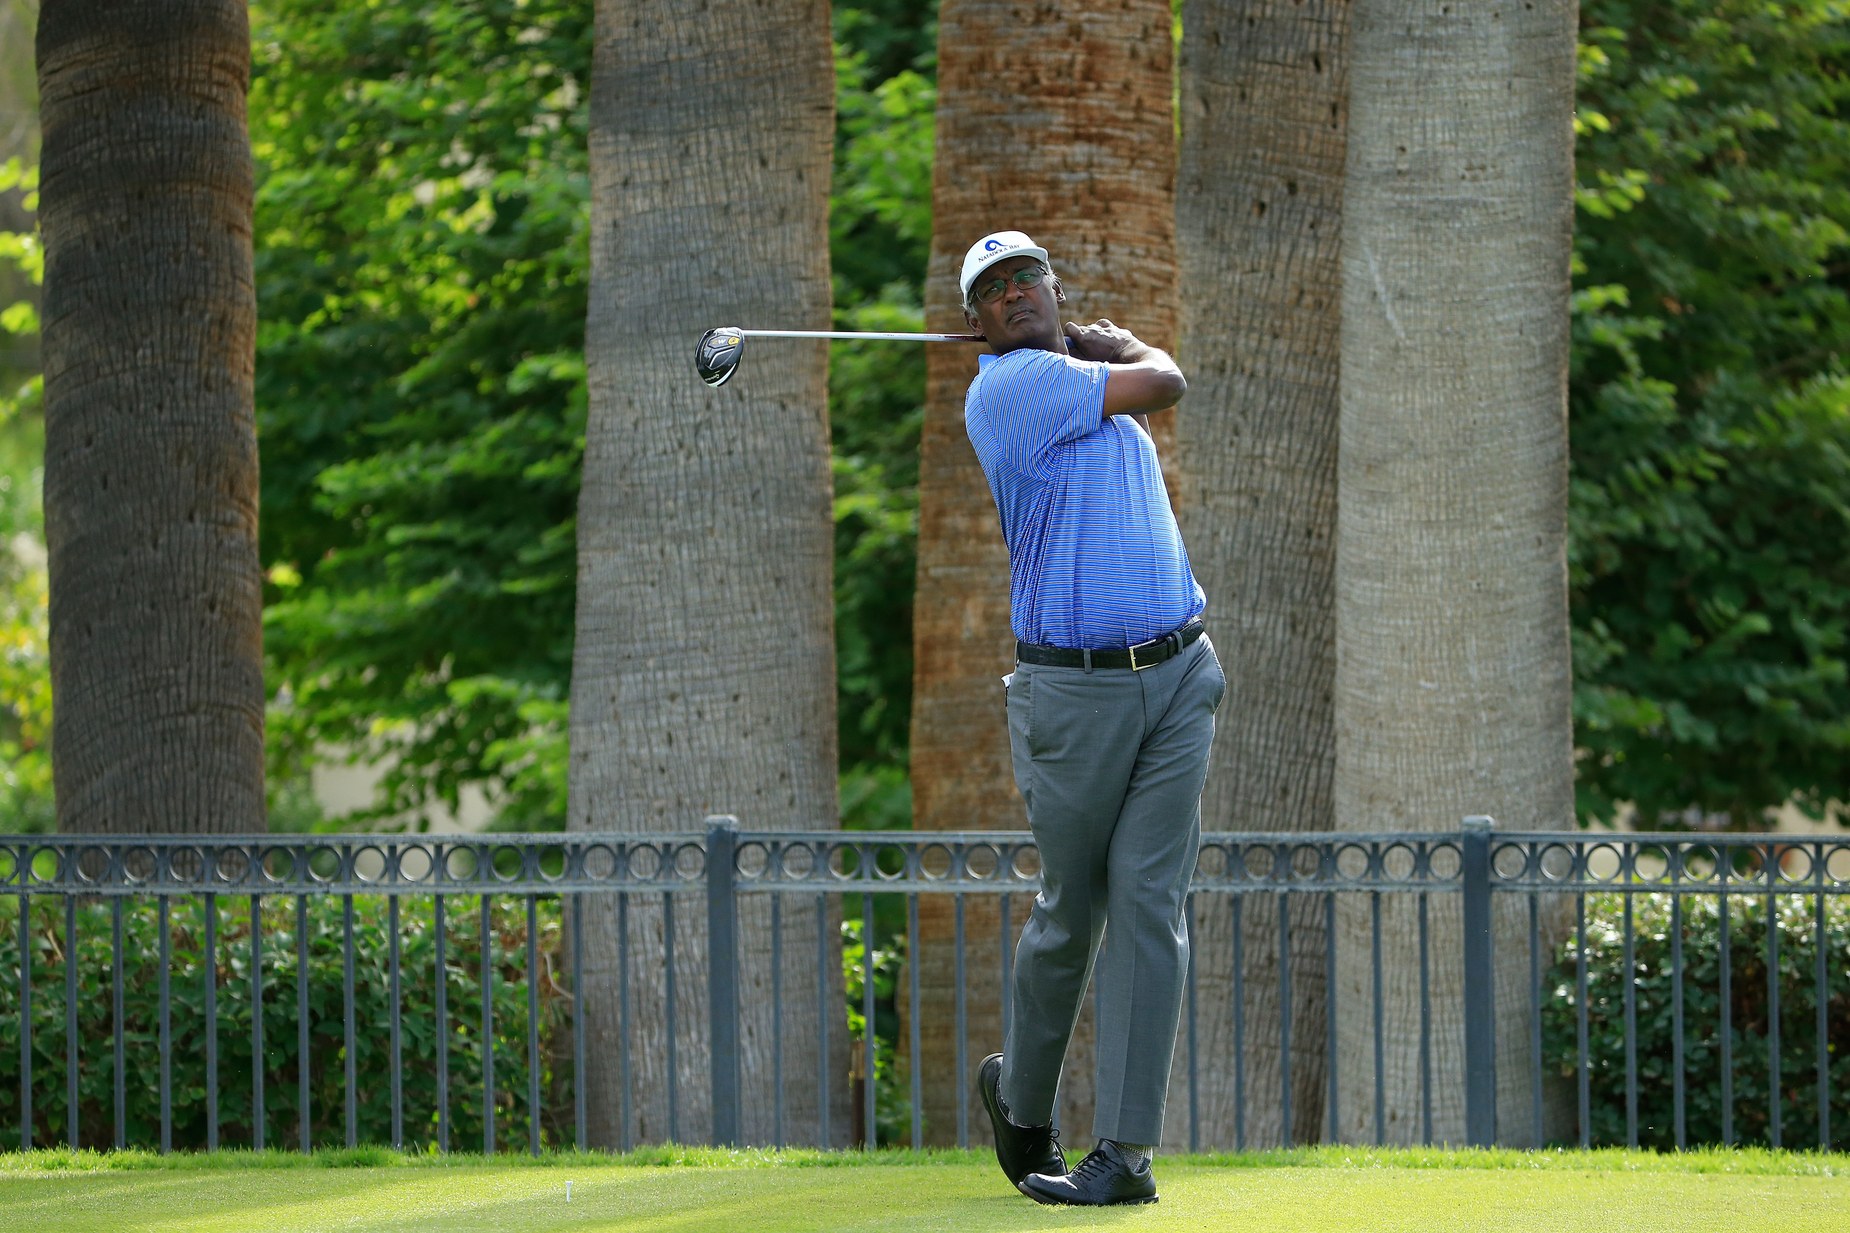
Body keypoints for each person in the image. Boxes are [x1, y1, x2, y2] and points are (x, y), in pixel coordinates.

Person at [960, 230, 1225, 1207]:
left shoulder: (1080, 383)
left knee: (1148, 909)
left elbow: (1138, 395)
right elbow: (1168, 382)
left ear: (1051, 287)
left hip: (1179, 675)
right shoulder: (1007, 390)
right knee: (1074, 912)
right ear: (977, 326)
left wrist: (1100, 351)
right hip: (1072, 695)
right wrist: (1120, 350)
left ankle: (1124, 1157)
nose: (1014, 292)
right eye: (992, 290)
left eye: (1026, 276)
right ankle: (1023, 1109)